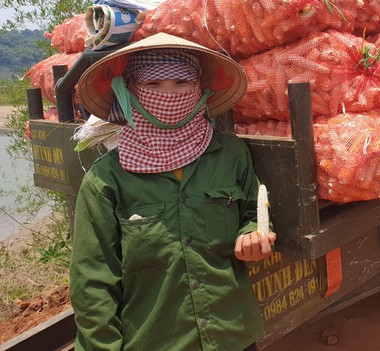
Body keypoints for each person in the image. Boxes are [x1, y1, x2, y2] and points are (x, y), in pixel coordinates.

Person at [70, 32, 276, 351]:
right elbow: (92, 285)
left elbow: (251, 213)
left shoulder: (231, 155)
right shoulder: (105, 182)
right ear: (131, 92)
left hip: (231, 337)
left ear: (199, 92)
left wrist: (253, 235)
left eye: (181, 83)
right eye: (153, 85)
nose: (169, 95)